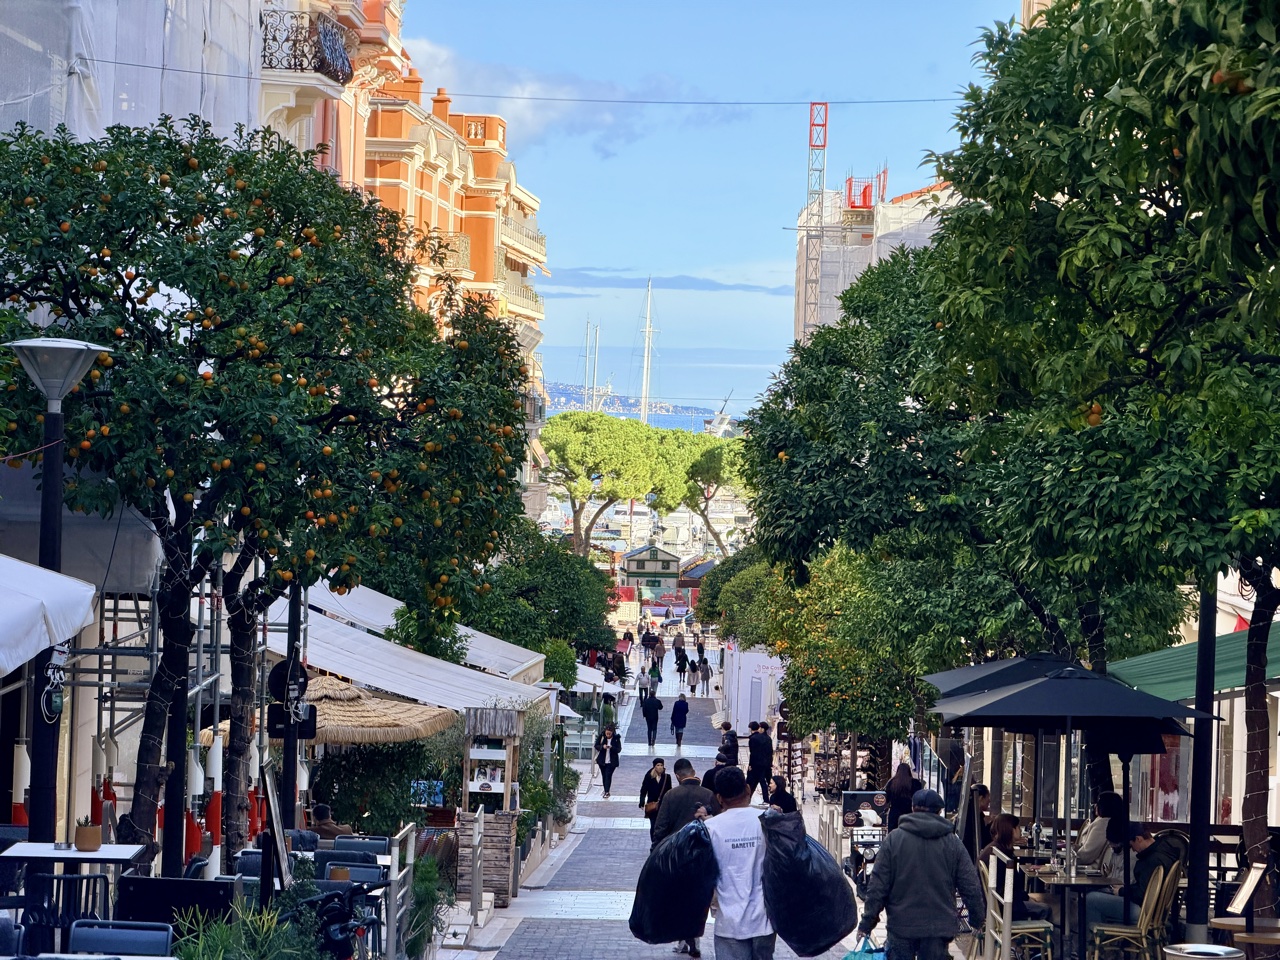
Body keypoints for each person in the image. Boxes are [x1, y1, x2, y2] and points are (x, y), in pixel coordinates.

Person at [857, 789, 986, 960]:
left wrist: (867, 923)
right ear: (939, 812)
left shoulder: (893, 840)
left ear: (912, 808)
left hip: (901, 926)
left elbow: (877, 887)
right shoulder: (953, 843)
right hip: (938, 928)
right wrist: (977, 919)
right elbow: (970, 885)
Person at [698, 766, 775, 960]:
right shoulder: (767, 822)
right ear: (748, 790)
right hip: (764, 921)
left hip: (729, 923)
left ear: (719, 798)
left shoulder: (710, 829)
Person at [654, 758, 717, 959]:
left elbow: (661, 827)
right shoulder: (708, 795)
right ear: (694, 772)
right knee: (698, 898)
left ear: (677, 776)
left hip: (677, 855)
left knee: (679, 897)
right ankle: (694, 937)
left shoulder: (671, 795)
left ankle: (684, 938)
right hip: (702, 855)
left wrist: (656, 851)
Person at [1085, 824, 1180, 931]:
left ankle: (1094, 940)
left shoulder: (1151, 861)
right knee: (1099, 897)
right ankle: (1106, 938)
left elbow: (1141, 894)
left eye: (1132, 845)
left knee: (1091, 899)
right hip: (1156, 911)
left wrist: (1121, 891)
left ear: (1138, 839)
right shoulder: (1164, 851)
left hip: (1145, 912)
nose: (1133, 850)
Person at [977, 814, 1051, 921]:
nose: (1020, 830)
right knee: (1045, 909)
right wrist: (1028, 898)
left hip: (990, 905)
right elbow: (1011, 888)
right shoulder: (1001, 856)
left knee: (1037, 902)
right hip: (1004, 907)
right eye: (1017, 827)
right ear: (1011, 830)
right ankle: (1031, 937)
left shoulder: (993, 849)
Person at [1076, 791, 1127, 883]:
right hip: (1104, 872)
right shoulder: (1116, 822)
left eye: (1098, 803)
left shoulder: (1102, 824)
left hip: (1094, 874)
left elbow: (1087, 854)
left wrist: (1071, 858)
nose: (1095, 806)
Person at [638, 758, 673, 841]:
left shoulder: (667, 777)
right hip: (652, 805)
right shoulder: (649, 776)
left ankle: (660, 842)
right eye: (658, 765)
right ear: (654, 766)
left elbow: (669, 791)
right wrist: (641, 802)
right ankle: (653, 842)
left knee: (662, 825)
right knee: (653, 825)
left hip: (663, 805)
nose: (660, 767)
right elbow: (643, 790)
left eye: (661, 765)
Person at [884, 762, 924, 832]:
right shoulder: (915, 783)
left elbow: (887, 799)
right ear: (909, 771)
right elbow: (919, 798)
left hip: (894, 813)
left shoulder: (891, 783)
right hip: (910, 813)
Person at [961, 784, 993, 861]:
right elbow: (983, 839)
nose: (989, 801)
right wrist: (992, 825)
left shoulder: (972, 813)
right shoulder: (973, 816)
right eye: (988, 799)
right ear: (981, 799)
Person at [747, 721, 774, 805]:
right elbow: (770, 752)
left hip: (757, 763)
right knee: (764, 781)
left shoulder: (754, 738)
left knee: (756, 781)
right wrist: (770, 763)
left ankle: (749, 798)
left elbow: (753, 753)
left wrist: (750, 764)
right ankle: (766, 799)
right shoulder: (768, 738)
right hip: (766, 763)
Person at [594, 724, 622, 798]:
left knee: (608, 775)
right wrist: (602, 747)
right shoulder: (602, 737)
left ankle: (607, 792)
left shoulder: (616, 738)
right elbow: (596, 745)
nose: (608, 735)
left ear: (612, 732)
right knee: (604, 776)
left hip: (612, 761)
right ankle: (606, 790)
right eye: (607, 733)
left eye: (609, 733)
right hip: (602, 761)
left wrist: (612, 747)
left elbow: (619, 749)